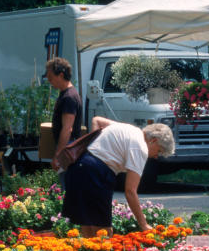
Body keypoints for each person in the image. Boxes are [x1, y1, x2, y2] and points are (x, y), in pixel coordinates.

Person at [63, 117, 174, 236]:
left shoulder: (130, 129)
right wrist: (144, 225)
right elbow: (130, 191)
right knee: (104, 231)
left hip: (79, 166)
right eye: (159, 151)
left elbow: (97, 120)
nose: (156, 156)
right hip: (96, 172)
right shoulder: (140, 148)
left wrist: (95, 145)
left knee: (87, 224)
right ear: (153, 140)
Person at [47, 57, 83, 187]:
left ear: (61, 75)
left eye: (51, 77)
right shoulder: (66, 94)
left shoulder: (69, 97)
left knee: (67, 187)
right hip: (67, 146)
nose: (49, 81)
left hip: (68, 147)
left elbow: (67, 128)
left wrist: (58, 154)